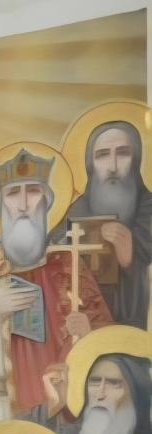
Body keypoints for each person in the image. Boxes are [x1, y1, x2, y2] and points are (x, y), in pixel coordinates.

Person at [0, 148, 113, 421]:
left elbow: (112, 350)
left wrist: (89, 335)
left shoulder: (70, 267)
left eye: (34, 191)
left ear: (48, 203)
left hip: (65, 416)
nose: (24, 204)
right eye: (13, 193)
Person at [62, 121, 151, 328]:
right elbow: (55, 267)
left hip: (137, 331)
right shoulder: (75, 213)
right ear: (90, 164)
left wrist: (131, 258)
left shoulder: (149, 210)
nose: (113, 167)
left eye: (123, 153)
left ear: (136, 160)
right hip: (84, 327)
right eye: (102, 155)